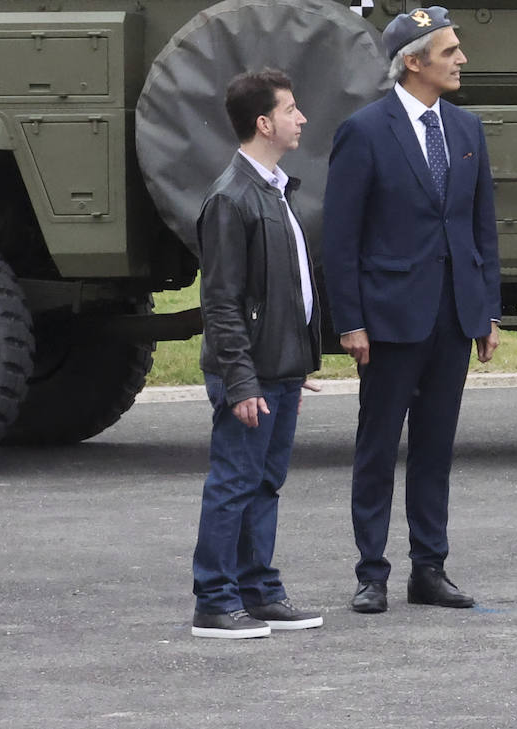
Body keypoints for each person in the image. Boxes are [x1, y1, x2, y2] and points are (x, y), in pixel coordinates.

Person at [322, 6, 501, 614]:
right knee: (377, 447)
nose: (462, 59)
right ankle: (372, 571)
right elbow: (341, 237)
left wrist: (487, 313)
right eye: (450, 51)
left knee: (435, 448)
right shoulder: (365, 131)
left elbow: (482, 230)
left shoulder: (468, 129)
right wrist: (350, 320)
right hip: (390, 319)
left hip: (452, 317)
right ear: (415, 61)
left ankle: (430, 568)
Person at [191, 68, 323, 639]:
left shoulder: (273, 188)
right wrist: (242, 381)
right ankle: (214, 602)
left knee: (264, 483)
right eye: (291, 109)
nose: (301, 119)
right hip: (249, 376)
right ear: (264, 122)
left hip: (279, 369)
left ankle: (259, 591)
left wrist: (293, 355)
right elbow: (221, 302)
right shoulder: (232, 198)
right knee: (233, 483)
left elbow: (282, 288)